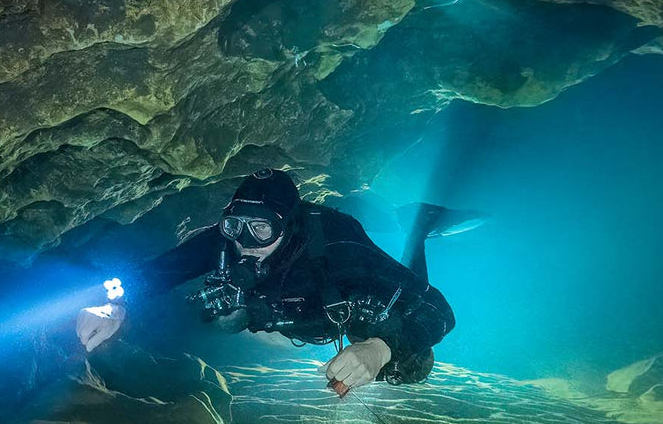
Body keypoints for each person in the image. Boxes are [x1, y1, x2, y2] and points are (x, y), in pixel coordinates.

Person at [75, 169, 458, 394]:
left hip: (355, 312)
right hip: (284, 315)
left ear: (288, 227)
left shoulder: (338, 248)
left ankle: (421, 230)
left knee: (411, 370)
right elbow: (154, 273)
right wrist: (111, 303)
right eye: (235, 226)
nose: (244, 242)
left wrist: (378, 348)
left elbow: (437, 310)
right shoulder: (226, 240)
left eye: (261, 229)